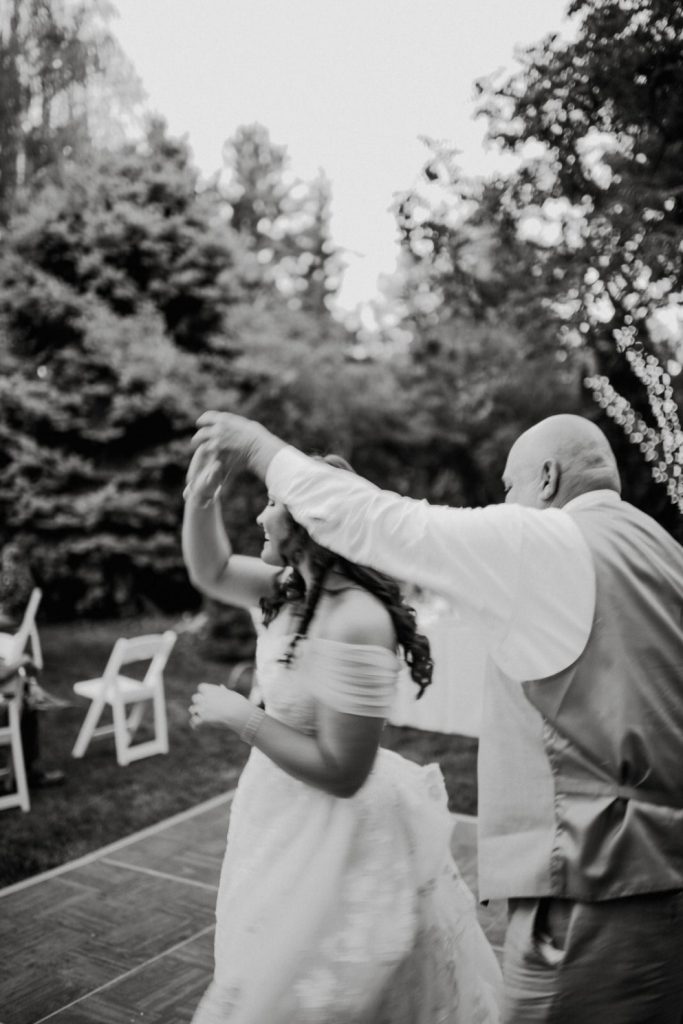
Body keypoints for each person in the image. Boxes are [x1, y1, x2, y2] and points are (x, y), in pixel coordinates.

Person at [188, 410, 683, 1024]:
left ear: (548, 478)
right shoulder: (657, 544)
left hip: (595, 882)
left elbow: (389, 523)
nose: (504, 502)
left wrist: (258, 446)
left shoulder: (553, 540)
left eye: (508, 486)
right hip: (658, 871)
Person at [182, 449, 502, 1024]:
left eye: (276, 504)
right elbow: (210, 571)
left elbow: (343, 773)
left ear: (314, 520)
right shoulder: (290, 589)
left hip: (336, 832)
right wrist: (200, 499)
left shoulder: (355, 618)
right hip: (274, 814)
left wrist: (241, 716)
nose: (261, 516)